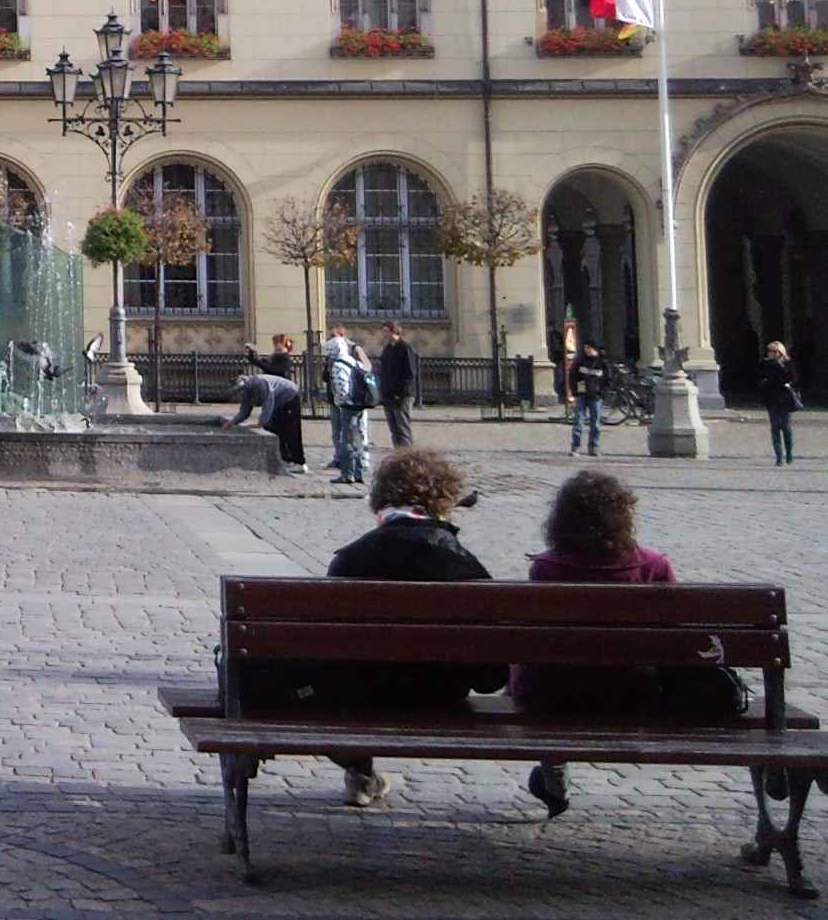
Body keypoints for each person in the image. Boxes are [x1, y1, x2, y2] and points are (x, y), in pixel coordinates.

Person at [515, 470, 737, 816]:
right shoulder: (653, 565)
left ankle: (554, 770)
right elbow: (674, 637)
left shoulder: (546, 567)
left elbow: (536, 640)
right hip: (630, 689)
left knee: (538, 682)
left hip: (553, 692)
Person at [304, 449, 501, 808]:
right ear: (444, 500)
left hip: (357, 698)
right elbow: (491, 678)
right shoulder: (464, 566)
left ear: (382, 499)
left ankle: (361, 772)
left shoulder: (351, 559)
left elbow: (328, 650)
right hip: (438, 696)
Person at [226, 368, 307, 474]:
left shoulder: (260, 384)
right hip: (279, 401)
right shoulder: (247, 393)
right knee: (274, 429)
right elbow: (244, 411)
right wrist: (232, 422)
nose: (238, 396)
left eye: (238, 393)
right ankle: (285, 459)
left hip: (290, 397)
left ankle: (299, 463)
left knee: (291, 431)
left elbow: (269, 404)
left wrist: (261, 423)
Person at [323, 325, 374, 485]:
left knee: (347, 439)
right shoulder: (352, 361)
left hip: (349, 406)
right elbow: (367, 368)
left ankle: (347, 473)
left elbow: (342, 389)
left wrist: (340, 401)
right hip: (360, 404)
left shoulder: (339, 365)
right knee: (357, 438)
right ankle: (359, 471)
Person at [759, 340, 801, 466]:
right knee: (775, 427)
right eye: (769, 351)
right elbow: (759, 378)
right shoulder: (764, 364)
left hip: (784, 399)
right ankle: (779, 457)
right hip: (771, 399)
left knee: (786, 427)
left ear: (780, 352)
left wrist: (782, 371)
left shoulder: (787, 364)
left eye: (774, 351)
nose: (771, 353)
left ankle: (789, 454)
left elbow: (794, 379)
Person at [376, 322, 417, 450]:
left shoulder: (405, 348)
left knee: (403, 428)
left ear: (394, 332)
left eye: (386, 331)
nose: (384, 334)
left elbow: (410, 373)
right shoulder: (387, 349)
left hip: (402, 396)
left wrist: (400, 393)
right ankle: (398, 453)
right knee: (394, 430)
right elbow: (383, 371)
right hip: (388, 395)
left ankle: (408, 454)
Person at [567, 341, 608, 456]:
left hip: (596, 396)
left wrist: (602, 393)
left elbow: (608, 380)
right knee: (578, 422)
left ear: (595, 349)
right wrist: (574, 391)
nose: (587, 350)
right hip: (581, 395)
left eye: (589, 348)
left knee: (595, 424)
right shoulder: (580, 361)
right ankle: (575, 447)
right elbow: (572, 376)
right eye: (585, 348)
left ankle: (593, 447)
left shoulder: (602, 363)